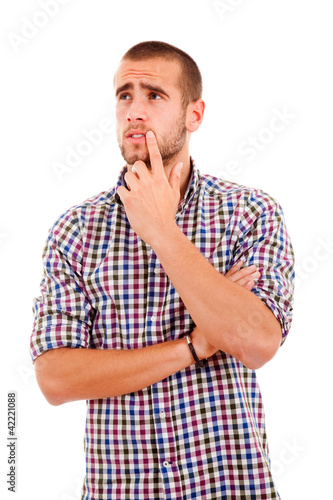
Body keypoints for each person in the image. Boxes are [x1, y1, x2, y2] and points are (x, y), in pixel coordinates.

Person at [30, 41, 295, 499]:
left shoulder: (250, 212)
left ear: (194, 115)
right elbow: (56, 378)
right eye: (124, 94)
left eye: (154, 95)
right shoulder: (74, 230)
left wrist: (162, 233)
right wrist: (196, 344)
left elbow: (256, 341)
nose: (134, 110)